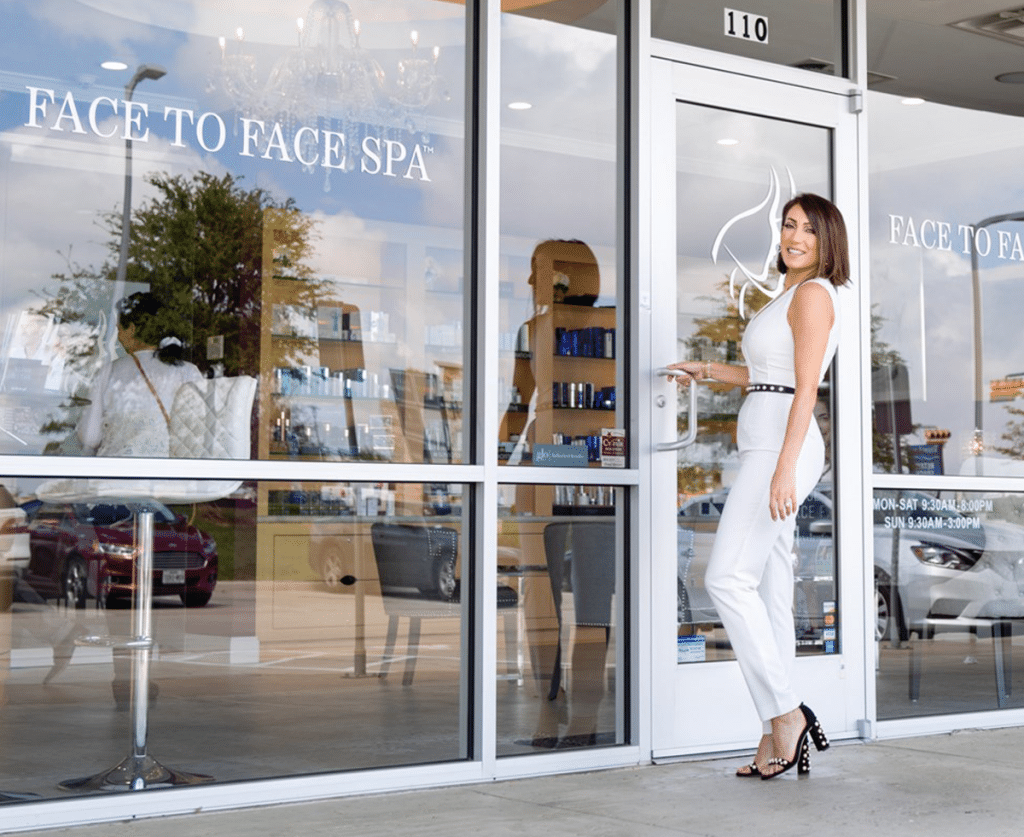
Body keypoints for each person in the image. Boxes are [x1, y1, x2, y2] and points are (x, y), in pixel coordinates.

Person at [666, 193, 849, 779]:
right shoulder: (790, 294)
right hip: (766, 441)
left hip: (780, 446)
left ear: (827, 241)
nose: (794, 237)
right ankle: (773, 733)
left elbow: (806, 387)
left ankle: (787, 714)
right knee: (770, 591)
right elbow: (769, 375)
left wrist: (784, 467)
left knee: (726, 578)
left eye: (809, 229)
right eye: (788, 225)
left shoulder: (814, 295)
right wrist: (710, 371)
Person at [77, 292, 203, 457]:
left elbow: (89, 436)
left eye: (119, 329)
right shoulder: (188, 372)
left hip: (119, 470)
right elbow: (200, 431)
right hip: (172, 470)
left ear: (131, 329)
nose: (118, 336)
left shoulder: (109, 371)